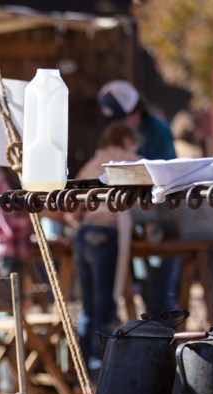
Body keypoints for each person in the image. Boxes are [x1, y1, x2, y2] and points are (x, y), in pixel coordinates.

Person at [97, 80, 178, 317]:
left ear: (135, 111)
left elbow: (166, 173)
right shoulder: (127, 132)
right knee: (145, 285)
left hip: (161, 216)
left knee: (161, 290)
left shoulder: (158, 131)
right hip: (137, 216)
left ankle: (164, 341)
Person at [71, 122, 141, 370]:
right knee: (105, 304)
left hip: (85, 233)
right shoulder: (132, 162)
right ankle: (105, 364)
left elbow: (74, 203)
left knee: (88, 305)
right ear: (125, 140)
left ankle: (83, 362)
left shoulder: (93, 162)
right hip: (107, 232)